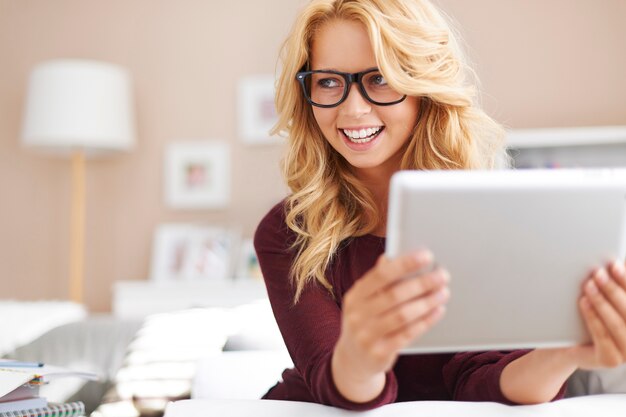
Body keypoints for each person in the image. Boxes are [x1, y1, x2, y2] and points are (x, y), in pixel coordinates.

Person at [253, 0, 626, 410]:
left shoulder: (493, 219)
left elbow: (485, 380)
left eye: (379, 78)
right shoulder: (288, 232)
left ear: (423, 87)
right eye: (327, 82)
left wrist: (568, 351)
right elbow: (334, 385)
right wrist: (362, 351)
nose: (353, 108)